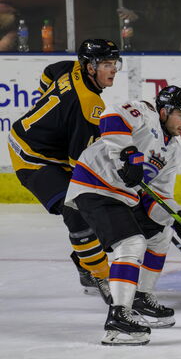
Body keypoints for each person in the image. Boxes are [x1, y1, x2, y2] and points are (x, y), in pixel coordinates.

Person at [64, 85, 181, 346]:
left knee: (160, 236)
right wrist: (128, 154)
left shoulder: (173, 151)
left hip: (124, 197)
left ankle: (141, 297)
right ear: (164, 111)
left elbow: (158, 198)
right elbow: (110, 116)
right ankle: (118, 319)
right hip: (94, 185)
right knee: (131, 243)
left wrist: (180, 219)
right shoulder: (146, 112)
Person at [7, 39, 121, 298]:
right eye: (106, 64)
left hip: (46, 148)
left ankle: (85, 259)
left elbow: (50, 72)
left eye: (114, 64)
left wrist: (54, 116)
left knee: (94, 204)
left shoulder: (71, 68)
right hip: (31, 157)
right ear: (90, 67)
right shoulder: (89, 105)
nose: (113, 70)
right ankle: (100, 276)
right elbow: (80, 166)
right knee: (77, 207)